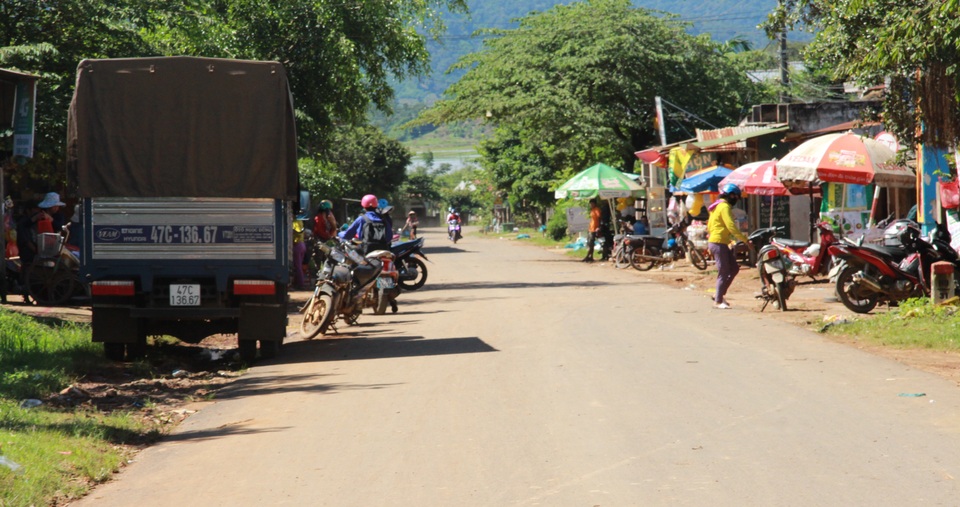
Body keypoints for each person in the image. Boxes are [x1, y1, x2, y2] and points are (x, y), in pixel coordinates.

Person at [707, 183, 753, 309]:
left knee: (734, 269)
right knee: (724, 271)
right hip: (718, 242)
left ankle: (720, 294)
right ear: (731, 196)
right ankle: (717, 300)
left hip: (720, 242)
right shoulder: (724, 207)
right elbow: (731, 226)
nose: (736, 200)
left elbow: (711, 226)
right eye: (736, 197)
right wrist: (745, 240)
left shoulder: (716, 206)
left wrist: (731, 240)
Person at [291, 219, 307, 289]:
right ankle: (299, 283)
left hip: (297, 245)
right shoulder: (300, 221)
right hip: (302, 245)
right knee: (299, 266)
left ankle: (300, 284)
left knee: (297, 266)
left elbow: (298, 233)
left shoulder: (295, 222)